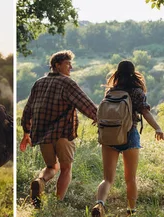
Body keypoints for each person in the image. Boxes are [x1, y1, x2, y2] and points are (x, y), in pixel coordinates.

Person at [20, 50, 98, 208]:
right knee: (66, 168)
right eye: (68, 64)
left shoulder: (39, 83)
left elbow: (28, 110)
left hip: (43, 136)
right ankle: (57, 202)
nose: (71, 67)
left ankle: (39, 181)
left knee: (51, 167)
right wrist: (98, 117)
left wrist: (26, 132)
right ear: (57, 65)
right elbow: (84, 103)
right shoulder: (68, 83)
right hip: (63, 134)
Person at [91, 61, 164, 216]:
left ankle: (99, 204)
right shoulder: (137, 92)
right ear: (133, 73)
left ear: (117, 73)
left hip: (109, 136)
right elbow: (145, 112)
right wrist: (158, 128)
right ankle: (131, 211)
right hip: (129, 135)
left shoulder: (111, 91)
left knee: (107, 179)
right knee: (130, 179)